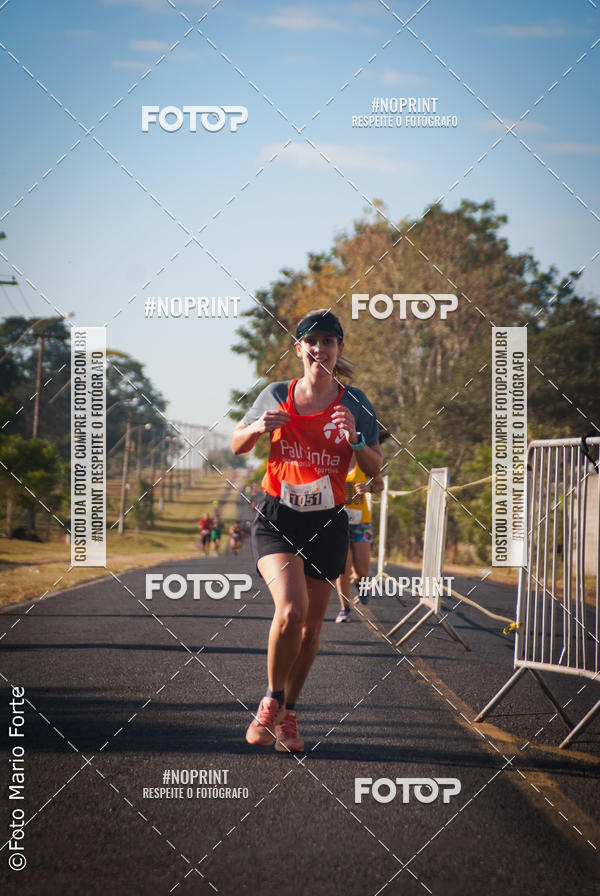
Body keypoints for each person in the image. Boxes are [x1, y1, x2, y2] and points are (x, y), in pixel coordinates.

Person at [231, 308, 381, 752]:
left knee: (312, 630)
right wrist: (259, 427)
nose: (320, 349)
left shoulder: (356, 404)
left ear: (339, 349)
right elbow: (237, 442)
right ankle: (271, 702)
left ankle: (290, 716)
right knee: (291, 611)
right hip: (278, 517)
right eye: (311, 341)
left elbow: (377, 475)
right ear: (299, 349)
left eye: (329, 341)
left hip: (328, 522)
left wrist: (355, 441)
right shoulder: (277, 393)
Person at [335, 448, 386, 622]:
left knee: (362, 570)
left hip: (361, 523)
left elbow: (380, 486)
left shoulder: (363, 462)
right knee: (343, 568)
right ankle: (345, 609)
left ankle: (361, 584)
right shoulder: (333, 459)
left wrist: (368, 488)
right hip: (338, 524)